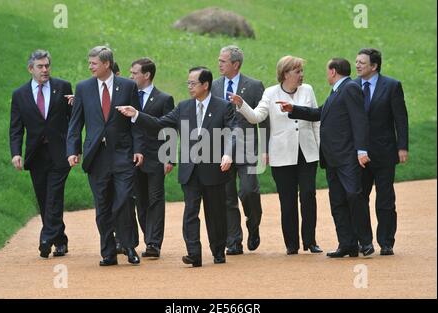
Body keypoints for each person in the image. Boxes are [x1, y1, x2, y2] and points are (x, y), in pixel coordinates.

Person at [117, 66, 235, 267]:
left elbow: (234, 132)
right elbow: (159, 123)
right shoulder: (183, 107)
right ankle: (194, 253)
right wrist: (137, 114)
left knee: (215, 214)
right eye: (188, 83)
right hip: (190, 171)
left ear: (205, 85)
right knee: (190, 212)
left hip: (214, 169)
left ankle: (218, 250)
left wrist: (227, 154)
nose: (189, 86)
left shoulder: (223, 107)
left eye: (193, 83)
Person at [278, 58, 375, 257]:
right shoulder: (337, 91)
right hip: (332, 159)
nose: (326, 74)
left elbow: (359, 120)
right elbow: (319, 113)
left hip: (347, 156)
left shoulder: (350, 88)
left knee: (354, 197)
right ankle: (346, 244)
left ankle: (365, 241)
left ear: (333, 72)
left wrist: (362, 150)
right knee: (338, 201)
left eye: (327, 70)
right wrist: (293, 109)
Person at [229, 55, 322, 255]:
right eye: (297, 72)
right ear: (285, 74)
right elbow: (256, 117)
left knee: (308, 196)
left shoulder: (308, 90)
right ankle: (291, 244)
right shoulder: (271, 93)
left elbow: (316, 120)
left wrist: (321, 147)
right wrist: (241, 104)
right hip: (282, 154)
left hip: (307, 152)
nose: (301, 75)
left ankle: (310, 240)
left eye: (301, 71)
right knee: (287, 200)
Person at [66, 46, 143, 266]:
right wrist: (73, 150)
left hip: (123, 154)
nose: (90, 66)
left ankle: (128, 246)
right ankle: (108, 252)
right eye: (89, 63)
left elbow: (136, 121)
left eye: (94, 63)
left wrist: (138, 149)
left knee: (124, 200)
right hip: (96, 156)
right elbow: (75, 123)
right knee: (102, 205)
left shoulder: (128, 86)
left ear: (106, 64)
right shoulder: (83, 88)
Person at [9, 49, 73, 258]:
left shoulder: (63, 87)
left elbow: (73, 122)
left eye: (47, 66)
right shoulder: (20, 94)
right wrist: (16, 153)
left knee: (54, 196)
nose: (45, 70)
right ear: (31, 69)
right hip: (35, 155)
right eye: (40, 66)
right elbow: (16, 128)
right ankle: (60, 240)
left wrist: (74, 149)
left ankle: (46, 239)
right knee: (44, 197)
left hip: (59, 152)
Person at [211, 45, 267, 255]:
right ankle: (233, 241)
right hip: (221, 149)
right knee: (227, 196)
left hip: (248, 147)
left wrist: (266, 148)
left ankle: (253, 226)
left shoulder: (254, 86)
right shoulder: (214, 86)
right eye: (219, 60)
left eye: (223, 61)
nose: (219, 64)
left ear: (236, 64)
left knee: (249, 191)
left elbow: (263, 119)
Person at [355, 48, 408, 255]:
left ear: (374, 66)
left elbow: (400, 118)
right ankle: (363, 241)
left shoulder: (392, 86)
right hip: (359, 154)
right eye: (357, 61)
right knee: (359, 198)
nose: (357, 65)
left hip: (385, 152)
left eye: (362, 62)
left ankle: (386, 242)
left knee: (385, 199)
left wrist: (402, 146)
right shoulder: (352, 86)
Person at [129, 58, 175, 258]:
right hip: (132, 157)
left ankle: (154, 244)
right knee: (140, 200)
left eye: (134, 73)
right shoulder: (127, 96)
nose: (131, 76)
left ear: (146, 75)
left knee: (155, 199)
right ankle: (149, 237)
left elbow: (170, 130)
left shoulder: (164, 99)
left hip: (156, 157)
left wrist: (170, 157)